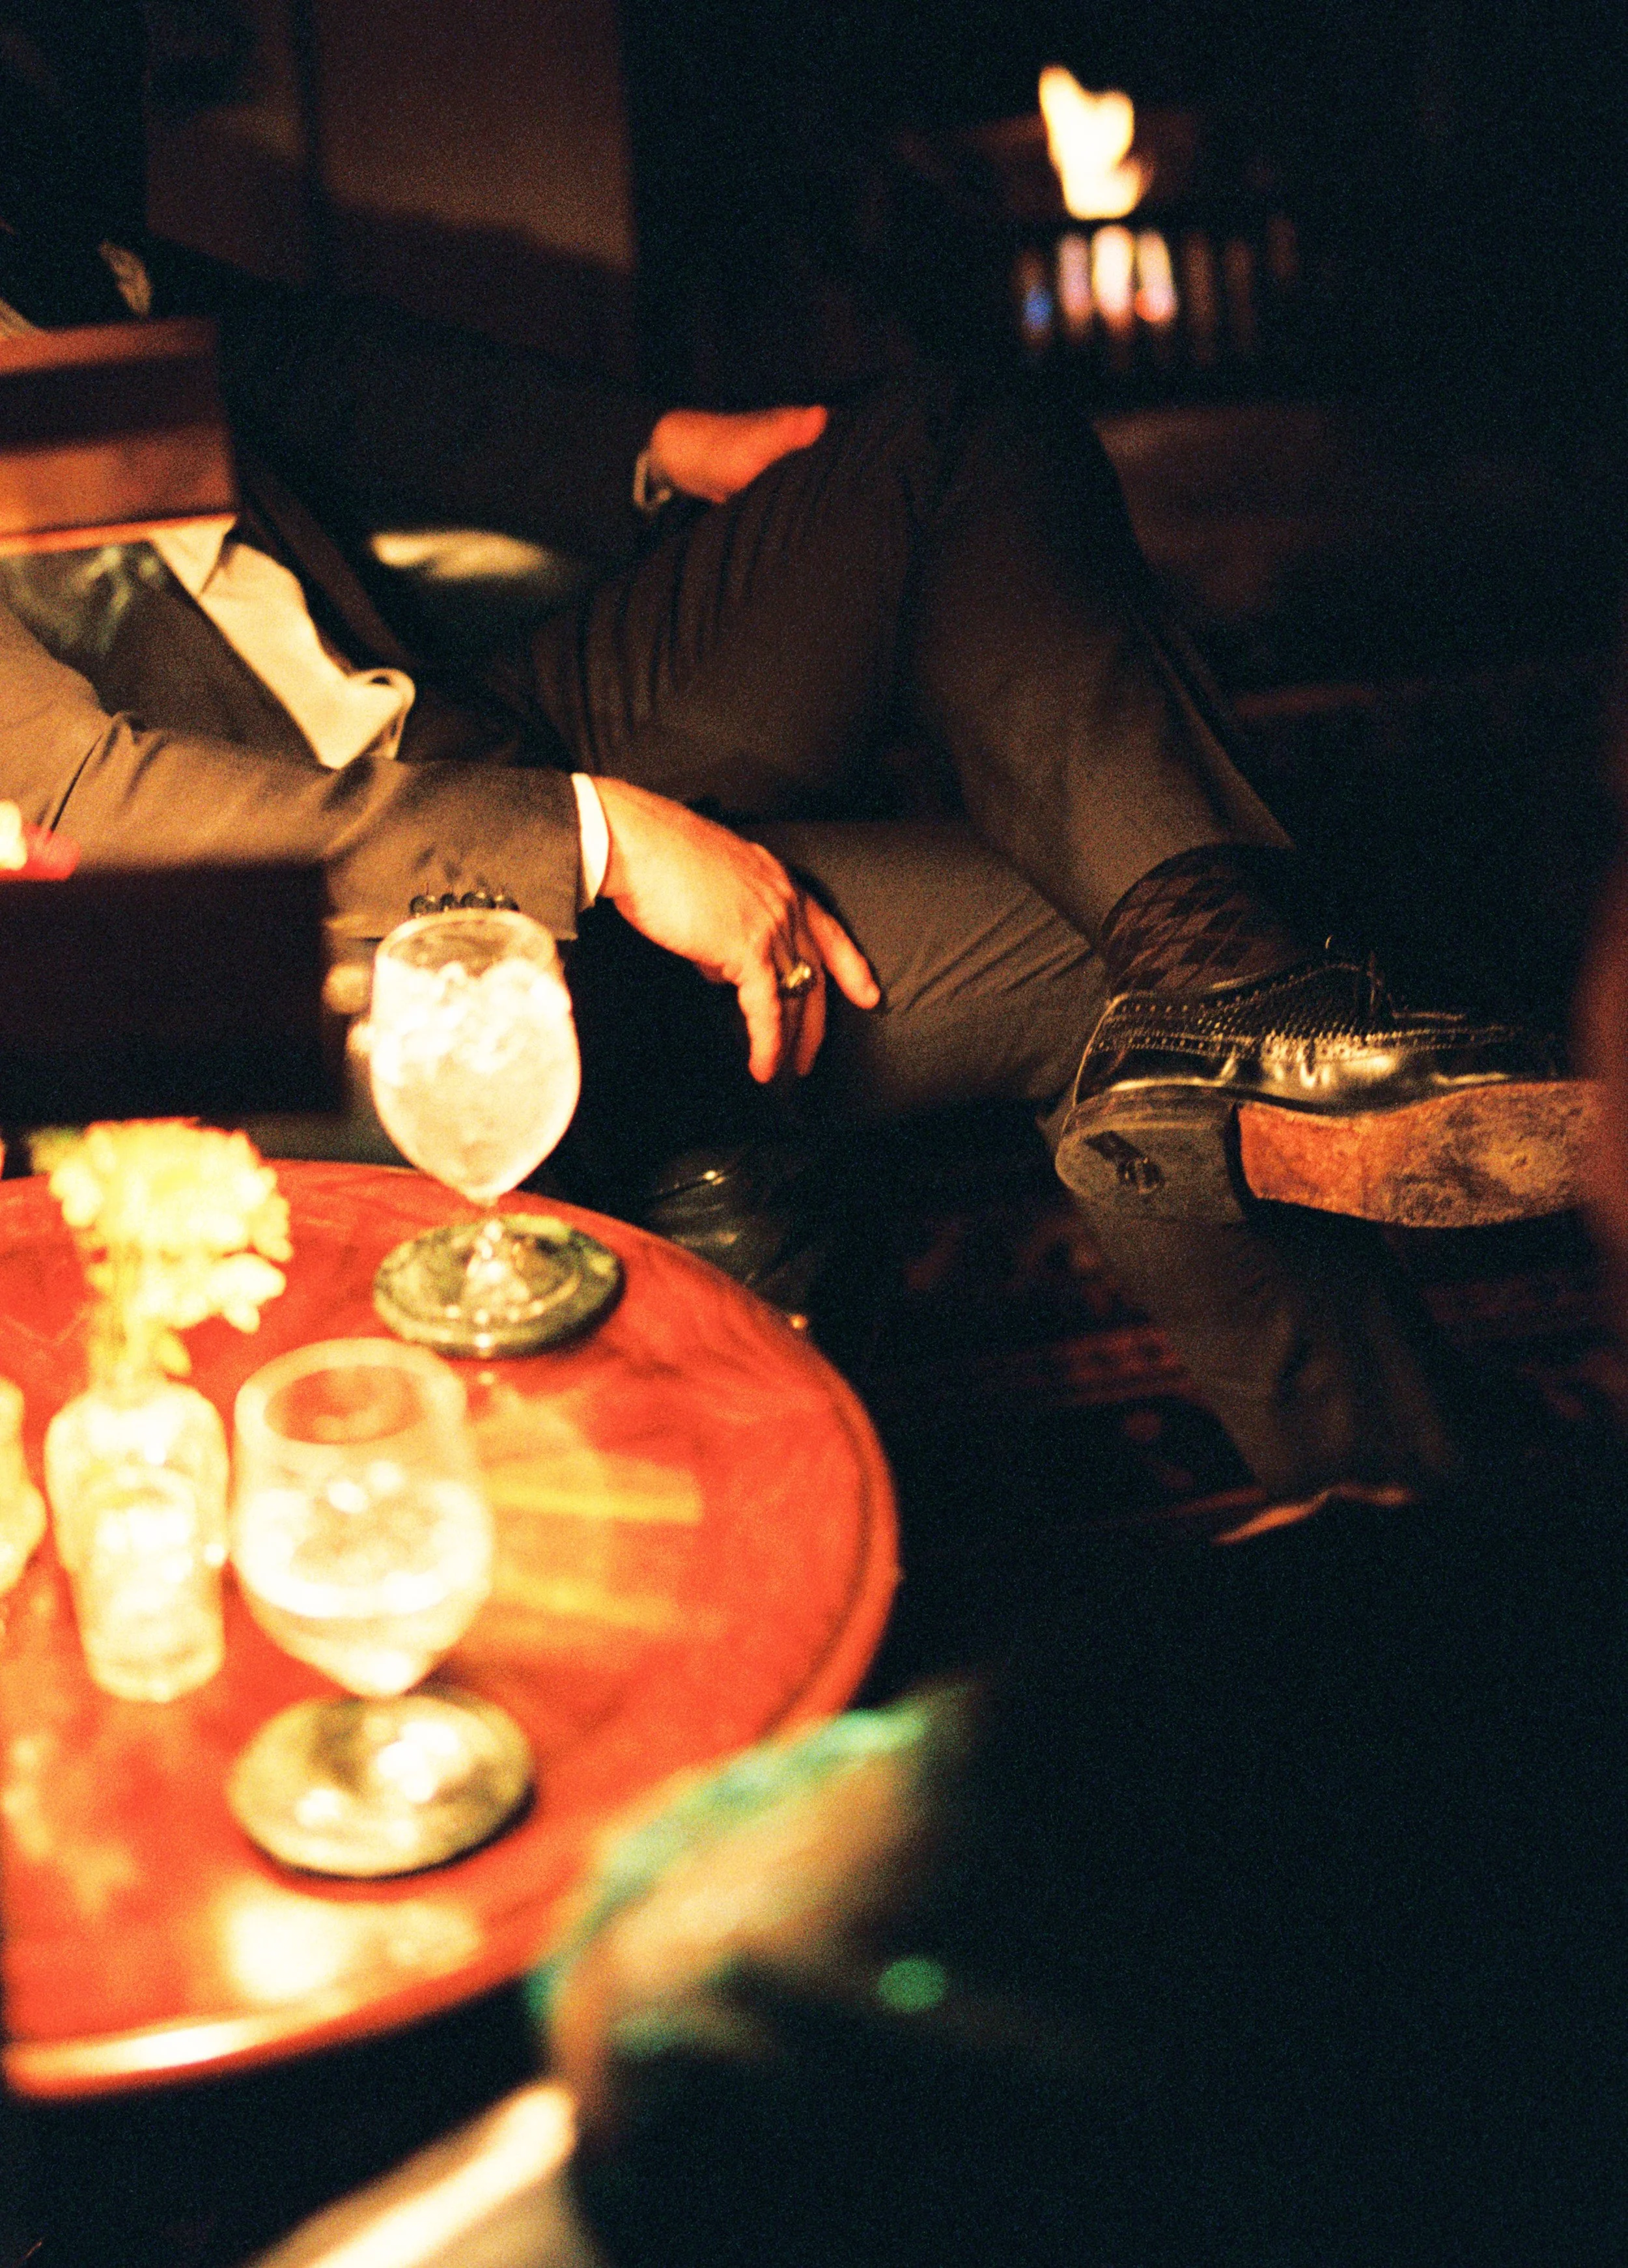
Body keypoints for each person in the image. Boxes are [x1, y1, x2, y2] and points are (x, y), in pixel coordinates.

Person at [0, 6, 1586, 1504]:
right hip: (344, 953)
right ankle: (1412, 1519)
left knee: (953, 444)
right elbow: (91, 800)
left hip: (478, 726)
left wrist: (665, 444)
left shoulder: (57, 253)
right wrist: (601, 844)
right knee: (1090, 977)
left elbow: (327, 370)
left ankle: (1242, 987)